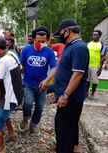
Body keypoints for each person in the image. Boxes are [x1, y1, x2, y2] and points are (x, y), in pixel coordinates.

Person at [53, 19, 89, 153]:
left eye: (61, 32)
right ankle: (71, 147)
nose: (60, 36)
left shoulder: (79, 47)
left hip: (71, 97)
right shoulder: (70, 45)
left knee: (63, 127)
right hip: (66, 95)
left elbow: (78, 74)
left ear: (67, 31)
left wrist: (65, 95)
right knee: (70, 124)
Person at [19, 27, 57, 132]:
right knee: (28, 102)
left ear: (46, 40)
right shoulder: (26, 50)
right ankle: (26, 118)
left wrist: (47, 80)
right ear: (34, 39)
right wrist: (22, 75)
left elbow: (54, 67)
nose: (40, 43)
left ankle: (34, 123)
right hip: (28, 84)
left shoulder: (49, 52)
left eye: (43, 41)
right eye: (38, 41)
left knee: (40, 107)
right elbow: (21, 64)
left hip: (42, 85)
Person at [0, 35, 23, 153]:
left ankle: (1, 149)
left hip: (10, 96)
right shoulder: (12, 54)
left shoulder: (2, 60)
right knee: (5, 114)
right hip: (18, 93)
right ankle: (11, 132)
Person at [86, 30, 107, 97]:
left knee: (95, 81)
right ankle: (86, 93)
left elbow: (103, 57)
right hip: (87, 64)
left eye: (95, 34)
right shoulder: (88, 44)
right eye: (93, 34)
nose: (93, 36)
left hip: (96, 65)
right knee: (87, 80)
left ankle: (93, 93)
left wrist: (100, 68)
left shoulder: (102, 46)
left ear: (99, 36)